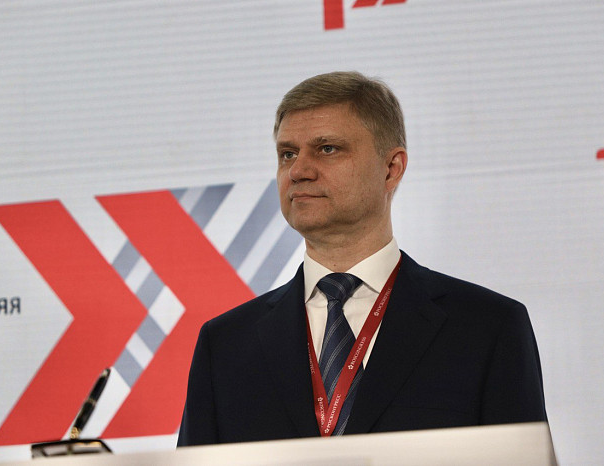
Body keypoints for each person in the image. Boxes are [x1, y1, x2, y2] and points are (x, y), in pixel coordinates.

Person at [177, 71, 547, 446]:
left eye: (327, 149)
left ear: (391, 168)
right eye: (288, 154)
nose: (299, 171)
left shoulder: (487, 328)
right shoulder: (224, 346)